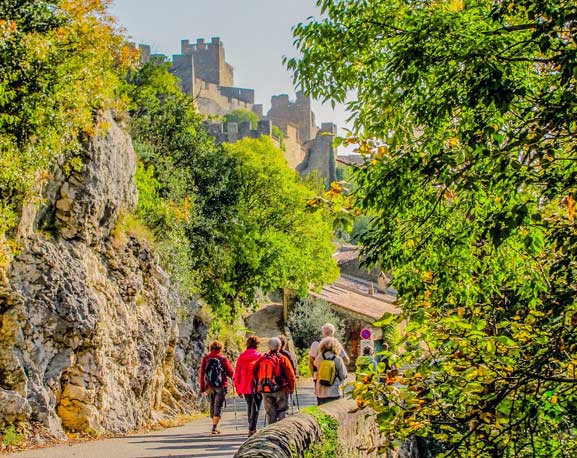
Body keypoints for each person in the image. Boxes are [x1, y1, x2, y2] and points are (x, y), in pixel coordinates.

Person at [253, 337, 296, 423]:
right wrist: (291, 388)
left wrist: (259, 382)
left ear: (269, 347)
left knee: (270, 413)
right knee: (283, 410)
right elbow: (291, 375)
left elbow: (254, 370)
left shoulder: (262, 358)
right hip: (281, 389)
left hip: (265, 389)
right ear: (279, 346)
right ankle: (281, 430)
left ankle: (270, 432)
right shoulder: (282, 358)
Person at [200, 340, 234, 434]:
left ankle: (213, 423)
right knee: (218, 406)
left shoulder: (206, 358)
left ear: (211, 348)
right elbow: (231, 372)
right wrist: (234, 380)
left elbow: (202, 373)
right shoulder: (223, 358)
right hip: (221, 385)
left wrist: (202, 388)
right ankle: (214, 427)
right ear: (220, 348)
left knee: (212, 405)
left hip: (209, 386)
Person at [234, 335, 262, 437]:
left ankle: (251, 427)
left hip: (245, 387)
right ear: (257, 345)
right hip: (256, 386)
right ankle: (252, 428)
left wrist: (238, 389)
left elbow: (237, 374)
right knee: (255, 407)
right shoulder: (259, 356)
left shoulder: (241, 357)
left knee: (250, 406)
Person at [314, 336, 348, 405]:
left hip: (321, 392)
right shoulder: (337, 359)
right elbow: (343, 375)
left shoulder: (319, 358)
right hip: (334, 392)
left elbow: (316, 368)